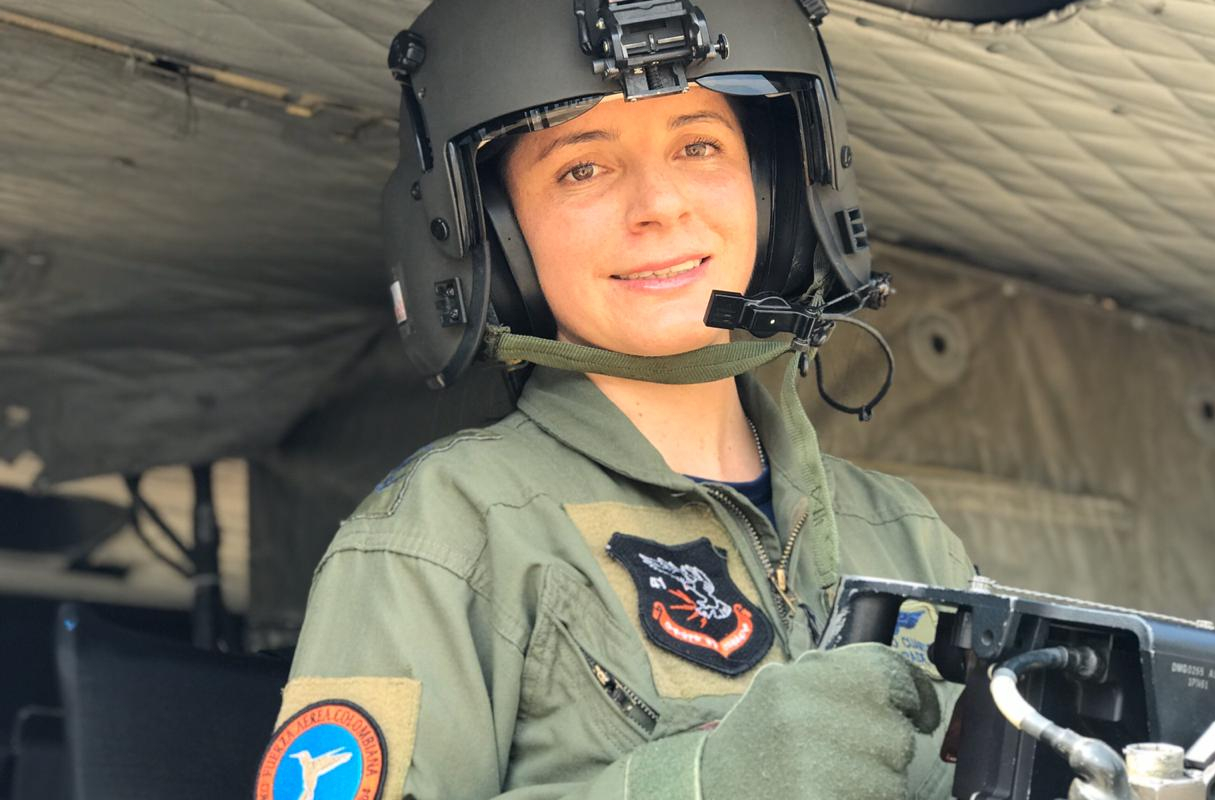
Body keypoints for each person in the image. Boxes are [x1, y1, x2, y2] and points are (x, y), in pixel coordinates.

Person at [254, 1, 975, 798]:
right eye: (581, 168)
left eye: (699, 145)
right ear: (495, 234)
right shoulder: (449, 534)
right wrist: (701, 784)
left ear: (774, 183)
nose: (659, 205)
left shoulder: (905, 537)